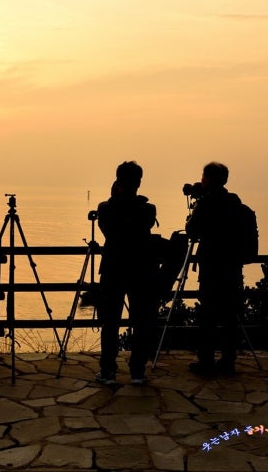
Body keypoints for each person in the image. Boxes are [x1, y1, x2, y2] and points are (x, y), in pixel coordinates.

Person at [95, 161, 158, 385]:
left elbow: (107, 230)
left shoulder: (105, 208)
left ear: (118, 181)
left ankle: (108, 370)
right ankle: (137, 371)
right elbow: (144, 227)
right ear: (139, 182)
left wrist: (114, 196)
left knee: (110, 321)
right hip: (141, 269)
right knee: (141, 321)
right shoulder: (148, 210)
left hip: (113, 268)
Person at [185, 162, 244, 376]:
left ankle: (206, 361)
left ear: (207, 179)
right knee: (230, 315)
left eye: (203, 176)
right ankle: (228, 360)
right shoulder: (234, 201)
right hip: (232, 265)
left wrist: (195, 209)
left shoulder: (207, 202)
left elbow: (192, 230)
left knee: (208, 315)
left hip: (211, 264)